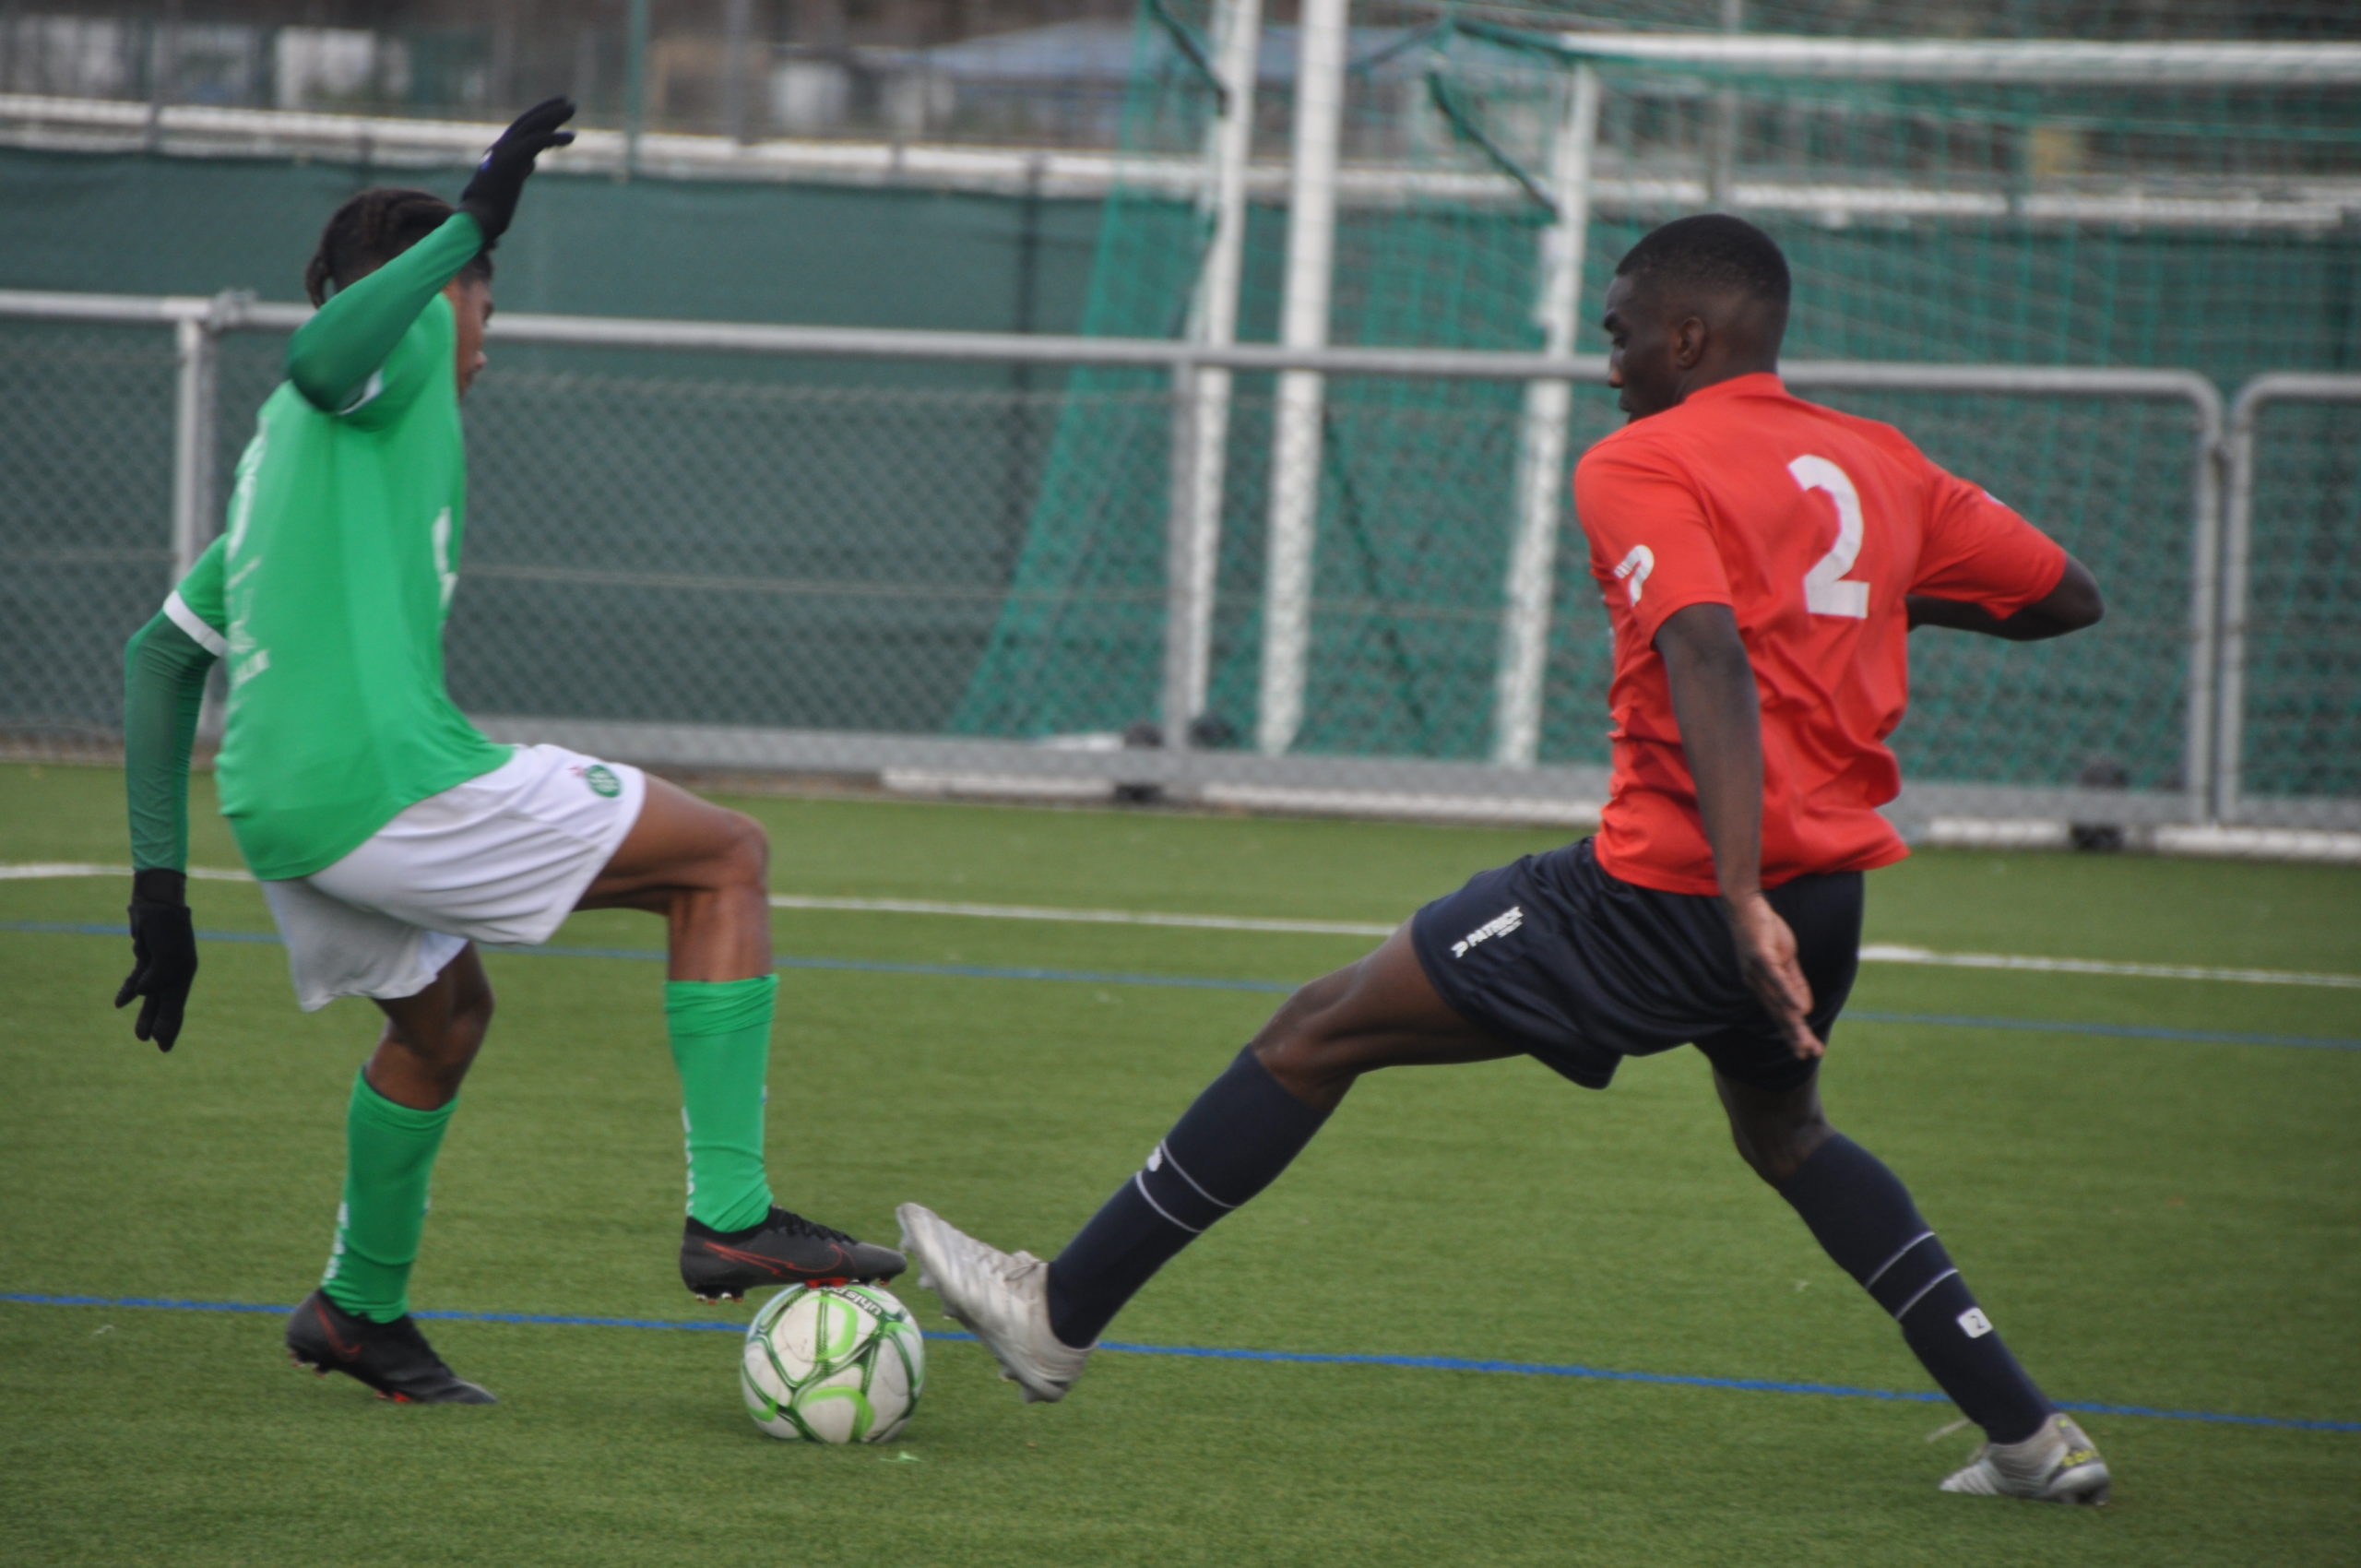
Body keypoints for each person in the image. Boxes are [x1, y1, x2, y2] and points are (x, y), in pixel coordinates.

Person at [897, 213, 2112, 1504]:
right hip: (1823, 901)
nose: (1609, 363)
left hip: (1665, 896)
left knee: (1313, 1034)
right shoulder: (1879, 461)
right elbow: (2063, 596)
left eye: (1620, 334)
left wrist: (1735, 889)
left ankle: (1055, 1316)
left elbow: (1706, 652)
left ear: (1688, 336)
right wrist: (1853, 608)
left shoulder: (1643, 460)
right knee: (1788, 1135)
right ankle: (2031, 1438)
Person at [113, 99, 901, 1406]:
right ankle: (733, 1217)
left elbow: (160, 655)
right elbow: (324, 352)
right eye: (486, 300)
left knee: (445, 1024)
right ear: (449, 290)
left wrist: (159, 888)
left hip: (280, 811)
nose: (486, 336)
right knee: (724, 860)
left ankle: (357, 1310)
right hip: (382, 783)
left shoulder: (287, 459)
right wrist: (469, 225)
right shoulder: (402, 340)